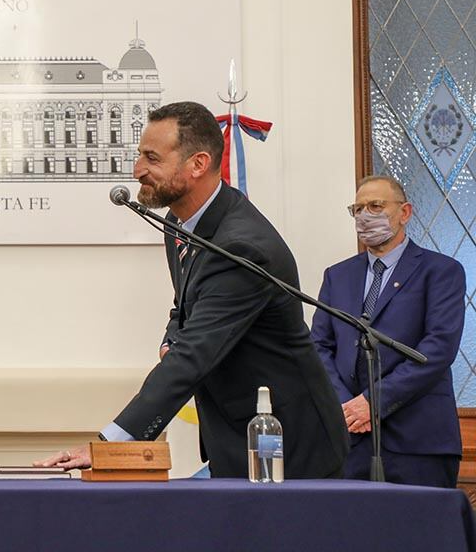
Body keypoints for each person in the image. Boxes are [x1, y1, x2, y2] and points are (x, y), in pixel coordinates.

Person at [36, 101, 348, 478]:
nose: (138, 171)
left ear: (197, 164)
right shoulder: (179, 222)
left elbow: (194, 356)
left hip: (287, 442)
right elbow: (184, 307)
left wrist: (113, 443)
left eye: (152, 158)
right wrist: (173, 335)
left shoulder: (241, 247)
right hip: (233, 432)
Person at [311, 176, 464, 488]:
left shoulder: (441, 271)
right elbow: (318, 347)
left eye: (376, 206)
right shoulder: (337, 276)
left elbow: (437, 349)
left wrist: (373, 402)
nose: (365, 215)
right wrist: (348, 407)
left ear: (404, 213)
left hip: (418, 444)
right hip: (351, 439)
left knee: (420, 534)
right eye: (358, 209)